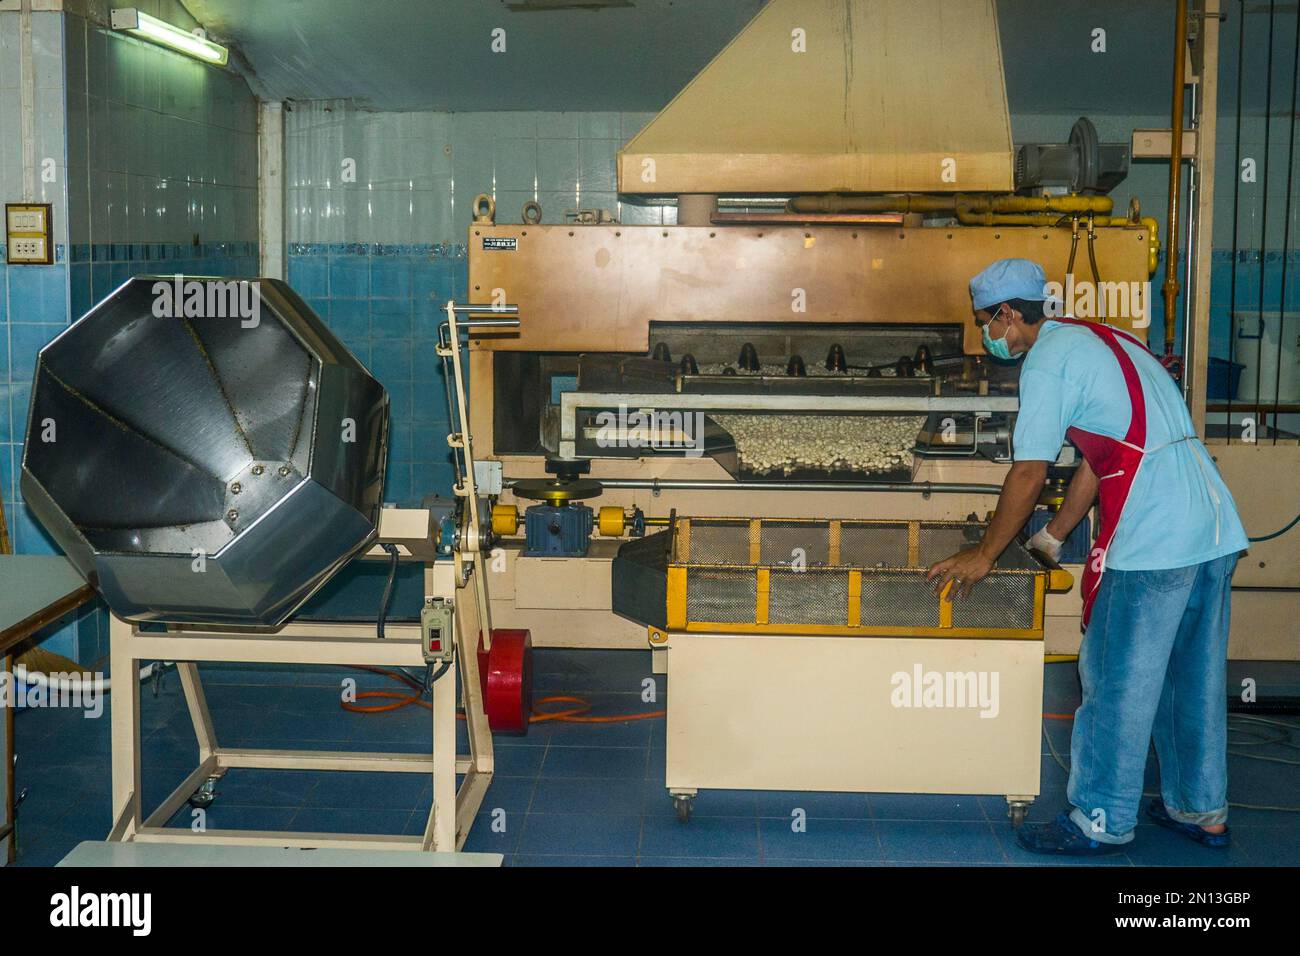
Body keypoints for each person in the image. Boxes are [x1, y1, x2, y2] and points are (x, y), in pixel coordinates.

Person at [926, 258, 1248, 856]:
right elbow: (1106, 457)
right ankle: (1200, 809)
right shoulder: (1106, 337)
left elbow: (1029, 471)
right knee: (1192, 680)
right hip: (1211, 525)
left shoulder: (1047, 362)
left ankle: (1100, 818)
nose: (985, 337)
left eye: (984, 323)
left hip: (1153, 539)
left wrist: (986, 553)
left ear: (1007, 314)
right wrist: (1053, 535)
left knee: (1115, 682)